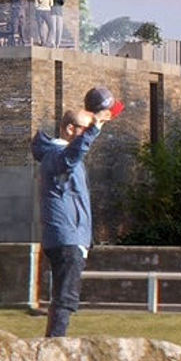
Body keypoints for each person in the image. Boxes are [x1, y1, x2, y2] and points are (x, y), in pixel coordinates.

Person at [32, 87, 119, 337]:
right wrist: (95, 129)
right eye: (82, 129)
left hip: (71, 238)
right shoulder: (56, 156)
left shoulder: (60, 155)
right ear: (70, 129)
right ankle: (55, 346)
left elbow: (76, 153)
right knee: (66, 298)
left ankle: (53, 344)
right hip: (66, 238)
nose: (86, 136)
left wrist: (96, 121)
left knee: (63, 297)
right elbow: (73, 155)